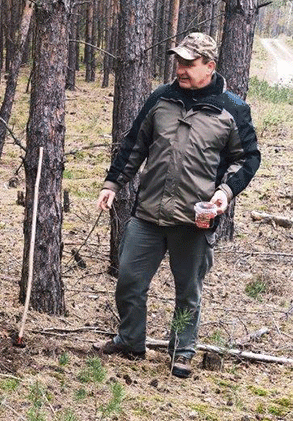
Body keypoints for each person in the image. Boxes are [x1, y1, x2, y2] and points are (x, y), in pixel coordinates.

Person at [94, 32, 261, 378]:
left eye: (189, 63)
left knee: (188, 291)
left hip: (194, 219)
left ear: (209, 66)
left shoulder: (232, 108)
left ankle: (181, 352)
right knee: (129, 280)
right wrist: (113, 184)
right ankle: (130, 341)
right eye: (179, 62)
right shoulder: (161, 98)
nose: (181, 69)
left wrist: (225, 192)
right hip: (148, 213)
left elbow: (247, 158)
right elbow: (134, 145)